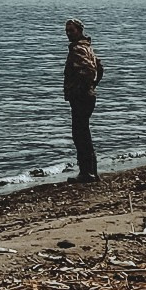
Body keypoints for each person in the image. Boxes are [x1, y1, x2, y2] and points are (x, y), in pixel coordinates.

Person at [61, 18, 104, 183]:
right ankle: (91, 172)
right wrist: (93, 85)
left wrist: (82, 89)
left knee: (80, 135)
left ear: (79, 30)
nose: (68, 34)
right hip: (87, 96)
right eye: (67, 31)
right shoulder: (87, 46)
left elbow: (91, 70)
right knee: (84, 134)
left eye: (71, 30)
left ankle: (87, 173)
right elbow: (99, 68)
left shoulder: (78, 48)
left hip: (82, 97)